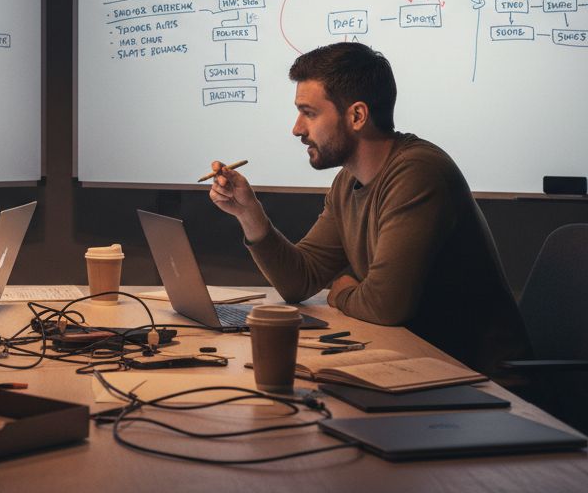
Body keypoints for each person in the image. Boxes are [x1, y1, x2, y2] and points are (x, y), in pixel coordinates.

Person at [208, 42, 530, 378]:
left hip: (478, 380)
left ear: (357, 116)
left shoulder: (418, 173)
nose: (297, 129)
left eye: (310, 113)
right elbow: (299, 281)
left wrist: (340, 291)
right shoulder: (348, 181)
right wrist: (249, 213)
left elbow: (384, 304)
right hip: (413, 364)